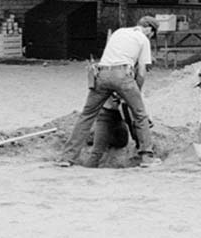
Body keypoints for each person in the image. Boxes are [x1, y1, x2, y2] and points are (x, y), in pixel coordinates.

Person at [57, 16, 161, 168]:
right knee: (140, 115)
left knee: (86, 115)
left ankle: (67, 158)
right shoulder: (143, 39)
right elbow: (142, 73)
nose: (150, 37)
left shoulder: (119, 32)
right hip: (123, 75)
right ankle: (147, 157)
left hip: (101, 75)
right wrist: (136, 92)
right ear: (149, 29)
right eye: (152, 34)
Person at [79, 94, 133, 168]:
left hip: (111, 112)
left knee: (97, 152)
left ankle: (98, 138)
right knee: (96, 153)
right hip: (107, 113)